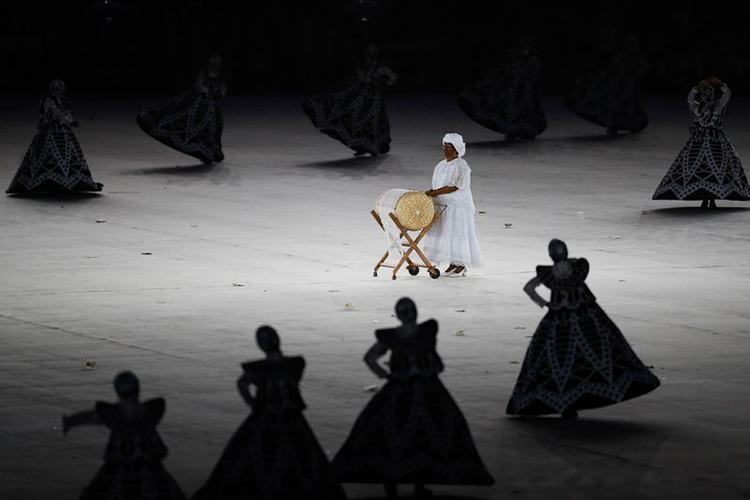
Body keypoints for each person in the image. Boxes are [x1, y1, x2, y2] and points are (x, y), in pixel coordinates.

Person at [333, 298, 494, 499]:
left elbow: (431, 358)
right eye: (405, 311)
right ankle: (401, 481)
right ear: (400, 315)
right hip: (411, 388)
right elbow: (371, 357)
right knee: (410, 433)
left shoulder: (421, 333)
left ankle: (409, 483)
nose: (409, 314)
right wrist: (387, 375)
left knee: (414, 433)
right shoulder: (401, 336)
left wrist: (391, 374)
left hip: (415, 387)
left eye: (410, 310)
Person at [507, 239, 661, 419]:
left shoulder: (549, 274)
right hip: (586, 317)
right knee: (600, 350)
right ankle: (594, 392)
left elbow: (529, 287)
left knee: (555, 357)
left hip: (559, 319)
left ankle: (564, 402)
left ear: (551, 255)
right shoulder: (578, 268)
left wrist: (544, 303)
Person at [192, 326, 347, 500]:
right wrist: (254, 403)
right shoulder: (292, 365)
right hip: (283, 417)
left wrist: (254, 403)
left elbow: (243, 384)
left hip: (274, 416)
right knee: (299, 453)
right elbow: (247, 384)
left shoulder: (280, 366)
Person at [61, 371, 186, 500]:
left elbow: (92, 417)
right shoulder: (151, 411)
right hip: (149, 469)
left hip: (118, 471)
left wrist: (71, 421)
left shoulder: (113, 414)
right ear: (137, 389)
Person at [652, 77, 750, 206]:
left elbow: (727, 94)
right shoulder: (698, 108)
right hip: (698, 141)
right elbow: (690, 100)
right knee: (699, 169)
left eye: (709, 92)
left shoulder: (717, 107)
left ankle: (712, 199)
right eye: (704, 93)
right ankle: (705, 198)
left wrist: (720, 83)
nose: (707, 95)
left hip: (715, 141)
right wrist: (696, 88)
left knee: (717, 169)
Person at [6, 79, 103, 194]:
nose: (60, 91)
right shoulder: (48, 100)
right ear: (53, 89)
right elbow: (53, 112)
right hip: (49, 132)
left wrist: (69, 119)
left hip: (62, 132)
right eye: (58, 89)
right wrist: (65, 118)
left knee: (66, 156)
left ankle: (67, 181)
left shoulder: (58, 100)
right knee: (44, 157)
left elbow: (61, 113)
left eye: (62, 89)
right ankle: (44, 181)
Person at [304, 43, 396, 156]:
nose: (371, 52)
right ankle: (361, 147)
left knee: (374, 123)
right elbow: (358, 78)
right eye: (369, 50)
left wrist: (383, 84)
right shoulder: (362, 65)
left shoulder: (381, 66)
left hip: (374, 99)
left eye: (373, 50)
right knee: (355, 121)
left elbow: (392, 77)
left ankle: (374, 147)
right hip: (360, 97)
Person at [137, 54, 226, 164]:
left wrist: (216, 93)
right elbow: (198, 84)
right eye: (214, 58)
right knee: (182, 118)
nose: (215, 61)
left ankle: (209, 153)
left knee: (215, 127)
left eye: (217, 59)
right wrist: (205, 90)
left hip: (212, 106)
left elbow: (223, 90)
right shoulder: (205, 71)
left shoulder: (221, 75)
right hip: (199, 103)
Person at [458, 36, 547, 140]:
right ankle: (515, 127)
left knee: (521, 104)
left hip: (521, 92)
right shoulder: (511, 61)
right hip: (509, 90)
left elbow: (528, 82)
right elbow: (497, 76)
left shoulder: (531, 62)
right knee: (512, 103)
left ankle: (518, 127)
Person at [566, 34, 649, 135]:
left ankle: (617, 121)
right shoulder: (618, 60)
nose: (631, 45)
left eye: (633, 43)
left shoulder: (632, 65)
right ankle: (615, 121)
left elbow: (638, 75)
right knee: (615, 95)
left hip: (623, 90)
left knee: (623, 97)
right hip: (615, 88)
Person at [423, 133, 481, 277]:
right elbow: (437, 183)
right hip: (444, 206)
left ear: (456, 149)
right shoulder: (441, 165)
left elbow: (455, 186)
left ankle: (461, 265)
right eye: (444, 146)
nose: (445, 149)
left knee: (458, 233)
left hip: (458, 206)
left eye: (448, 146)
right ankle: (452, 263)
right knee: (447, 234)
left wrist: (435, 192)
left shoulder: (461, 165)